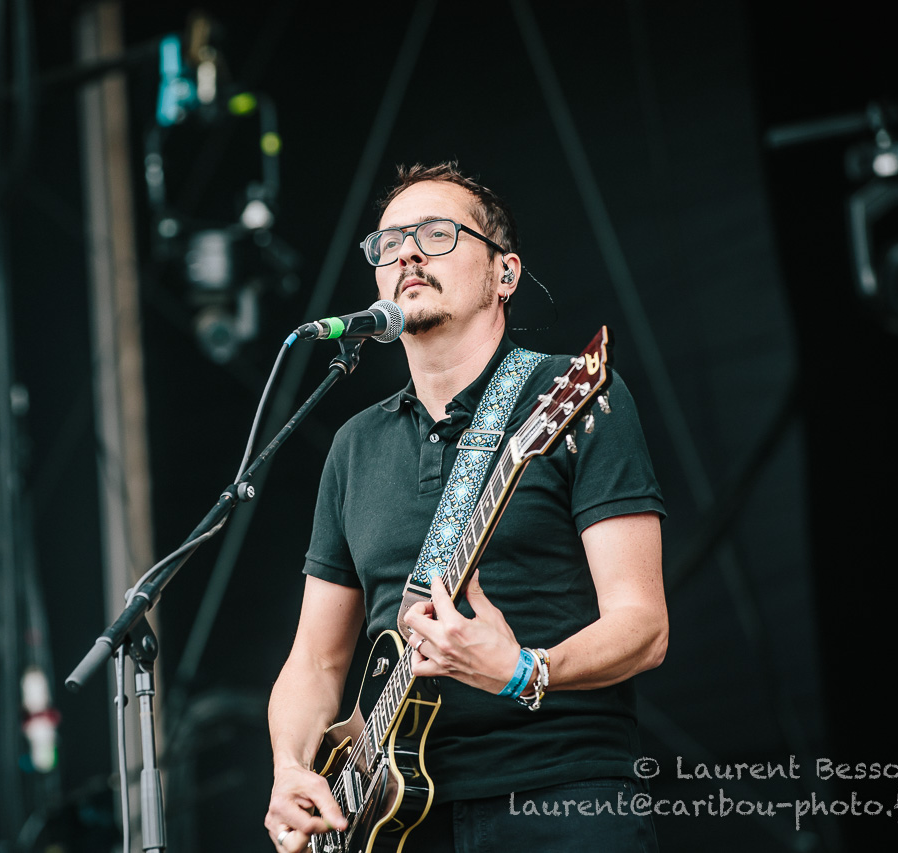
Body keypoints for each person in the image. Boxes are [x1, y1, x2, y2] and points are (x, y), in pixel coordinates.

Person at [263, 162, 668, 852]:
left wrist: (527, 669)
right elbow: (317, 662)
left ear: (504, 274)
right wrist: (291, 770)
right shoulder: (354, 445)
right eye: (389, 242)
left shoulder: (569, 394)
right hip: (393, 822)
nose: (407, 254)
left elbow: (644, 626)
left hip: (560, 796)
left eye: (436, 234)